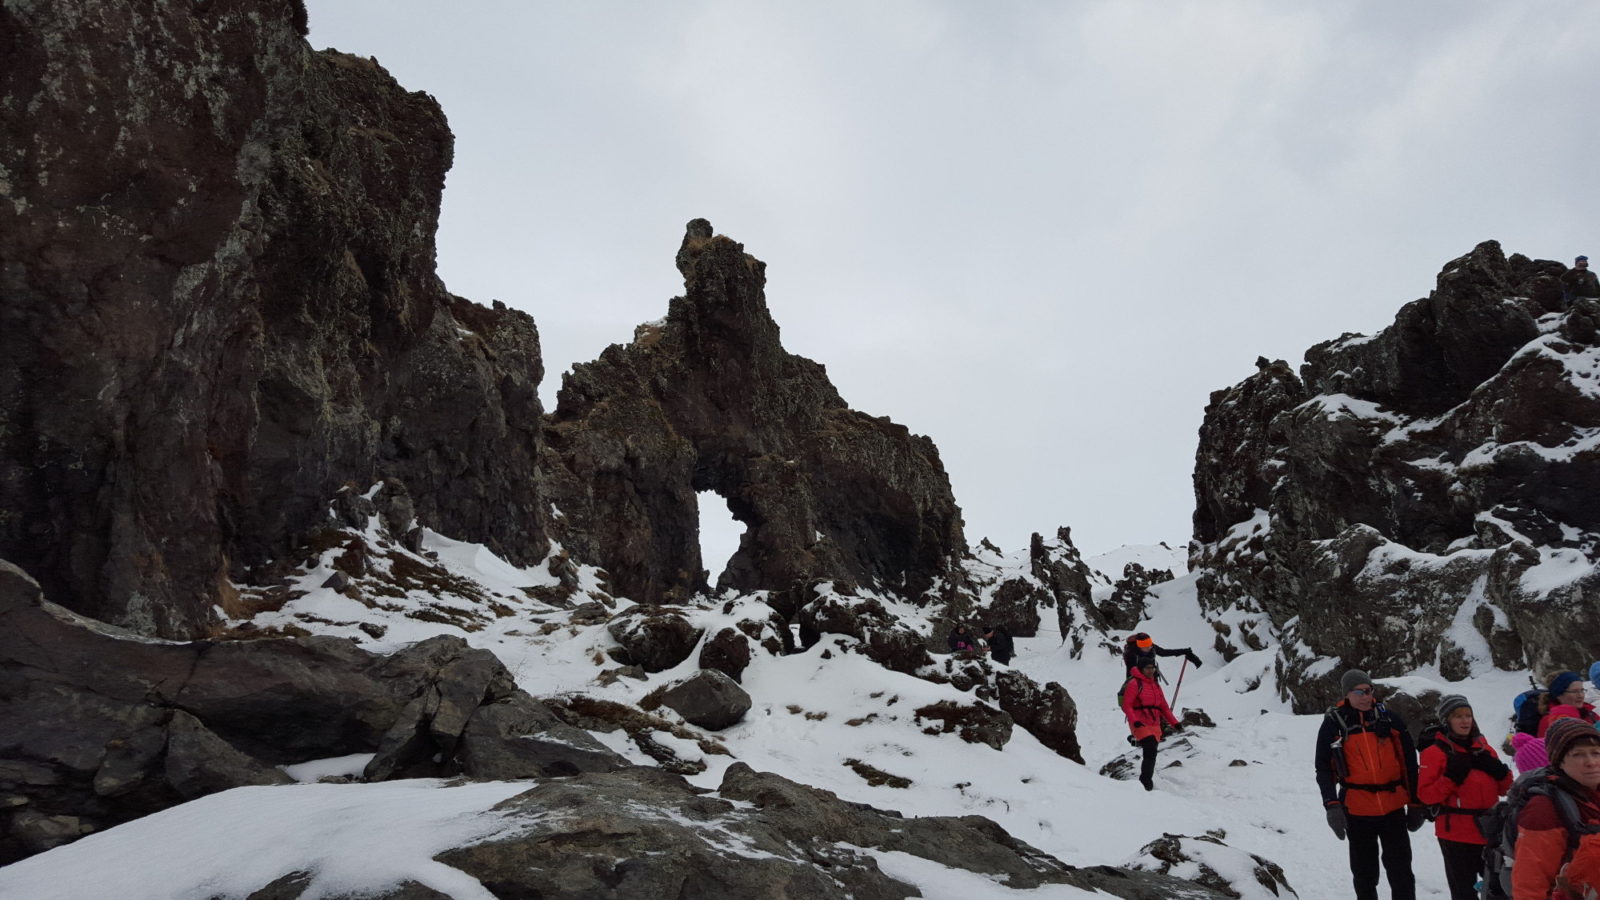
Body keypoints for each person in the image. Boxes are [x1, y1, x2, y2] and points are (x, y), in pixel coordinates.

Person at [1315, 669, 1425, 900]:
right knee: (1365, 874)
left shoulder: (1389, 719)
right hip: (1357, 810)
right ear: (1347, 694)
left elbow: (1409, 764)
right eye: (1360, 692)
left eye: (1369, 691)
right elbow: (1324, 768)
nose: (1366, 697)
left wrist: (1416, 803)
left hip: (1393, 808)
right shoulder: (1334, 724)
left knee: (1401, 872)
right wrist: (1331, 805)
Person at [1415, 694, 1513, 900]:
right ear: (1446, 721)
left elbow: (1507, 788)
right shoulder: (1434, 752)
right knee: (1463, 892)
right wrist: (1451, 777)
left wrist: (1500, 772)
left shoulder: (1484, 748)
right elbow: (1426, 795)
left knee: (1498, 890)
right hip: (1455, 834)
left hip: (1490, 830)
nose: (1465, 720)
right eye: (1458, 716)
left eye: (1468, 715)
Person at [1510, 717, 1600, 899]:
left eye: (1596, 753)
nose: (1591, 761)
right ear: (1559, 762)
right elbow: (1529, 885)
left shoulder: (1594, 793)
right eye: (1578, 754)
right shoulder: (1543, 809)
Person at [1121, 658, 1179, 791]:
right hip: (1139, 722)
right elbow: (1127, 705)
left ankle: (1136, 741)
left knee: (1151, 749)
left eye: (1153, 667)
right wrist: (1134, 720)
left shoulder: (1155, 684)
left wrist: (1175, 723)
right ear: (1141, 669)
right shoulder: (1135, 684)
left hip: (1154, 723)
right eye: (1148, 668)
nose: (1151, 670)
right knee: (1151, 750)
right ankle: (1145, 782)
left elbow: (1163, 706)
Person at [1539, 672, 1600, 737]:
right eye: (1574, 691)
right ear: (1559, 694)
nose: (1580, 695)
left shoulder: (1589, 713)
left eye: (1582, 690)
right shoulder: (1549, 721)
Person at [1121, 632, 1202, 676]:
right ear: (1139, 646)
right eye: (1145, 646)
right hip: (1138, 677)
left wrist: (1184, 651)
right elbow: (1130, 674)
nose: (1149, 647)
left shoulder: (1152, 647)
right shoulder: (1131, 654)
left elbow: (1165, 652)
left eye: (1149, 644)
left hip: (1151, 673)